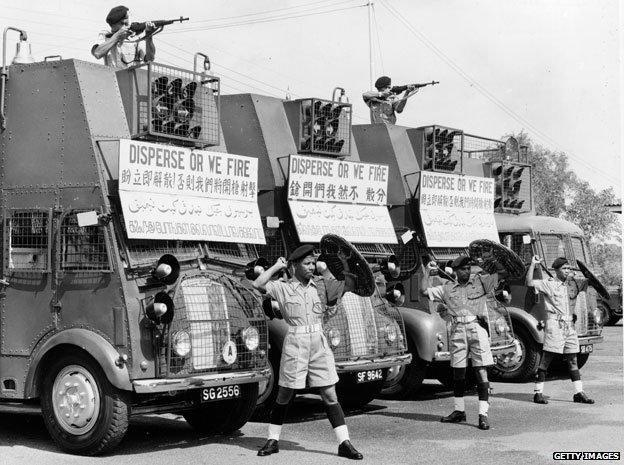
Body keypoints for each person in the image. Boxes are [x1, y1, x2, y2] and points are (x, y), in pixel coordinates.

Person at [253, 245, 363, 460]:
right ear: (294, 265)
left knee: (330, 394)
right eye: (306, 264)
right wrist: (277, 265)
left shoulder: (321, 286)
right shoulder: (282, 288)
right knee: (285, 393)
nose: (311, 267)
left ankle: (344, 443)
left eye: (313, 263)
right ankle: (272, 439)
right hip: (295, 342)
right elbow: (258, 284)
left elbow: (349, 284)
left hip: (319, 343)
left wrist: (343, 263)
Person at [420, 255, 510, 430]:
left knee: (481, 371)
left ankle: (483, 414)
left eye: (469, 268)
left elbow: (504, 273)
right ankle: (459, 411)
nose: (467, 272)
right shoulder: (447, 288)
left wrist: (491, 260)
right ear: (455, 271)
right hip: (457, 330)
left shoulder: (482, 282)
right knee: (458, 372)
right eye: (463, 269)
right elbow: (424, 291)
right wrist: (428, 272)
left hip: (477, 328)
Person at [526, 256, 595, 405]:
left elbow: (590, 282)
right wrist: (532, 264)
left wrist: (586, 275)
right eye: (564, 269)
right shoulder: (549, 284)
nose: (567, 271)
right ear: (556, 271)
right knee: (547, 358)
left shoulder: (573, 284)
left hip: (570, 326)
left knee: (573, 359)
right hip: (555, 325)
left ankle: (578, 393)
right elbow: (529, 283)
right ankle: (538, 393)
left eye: (569, 268)